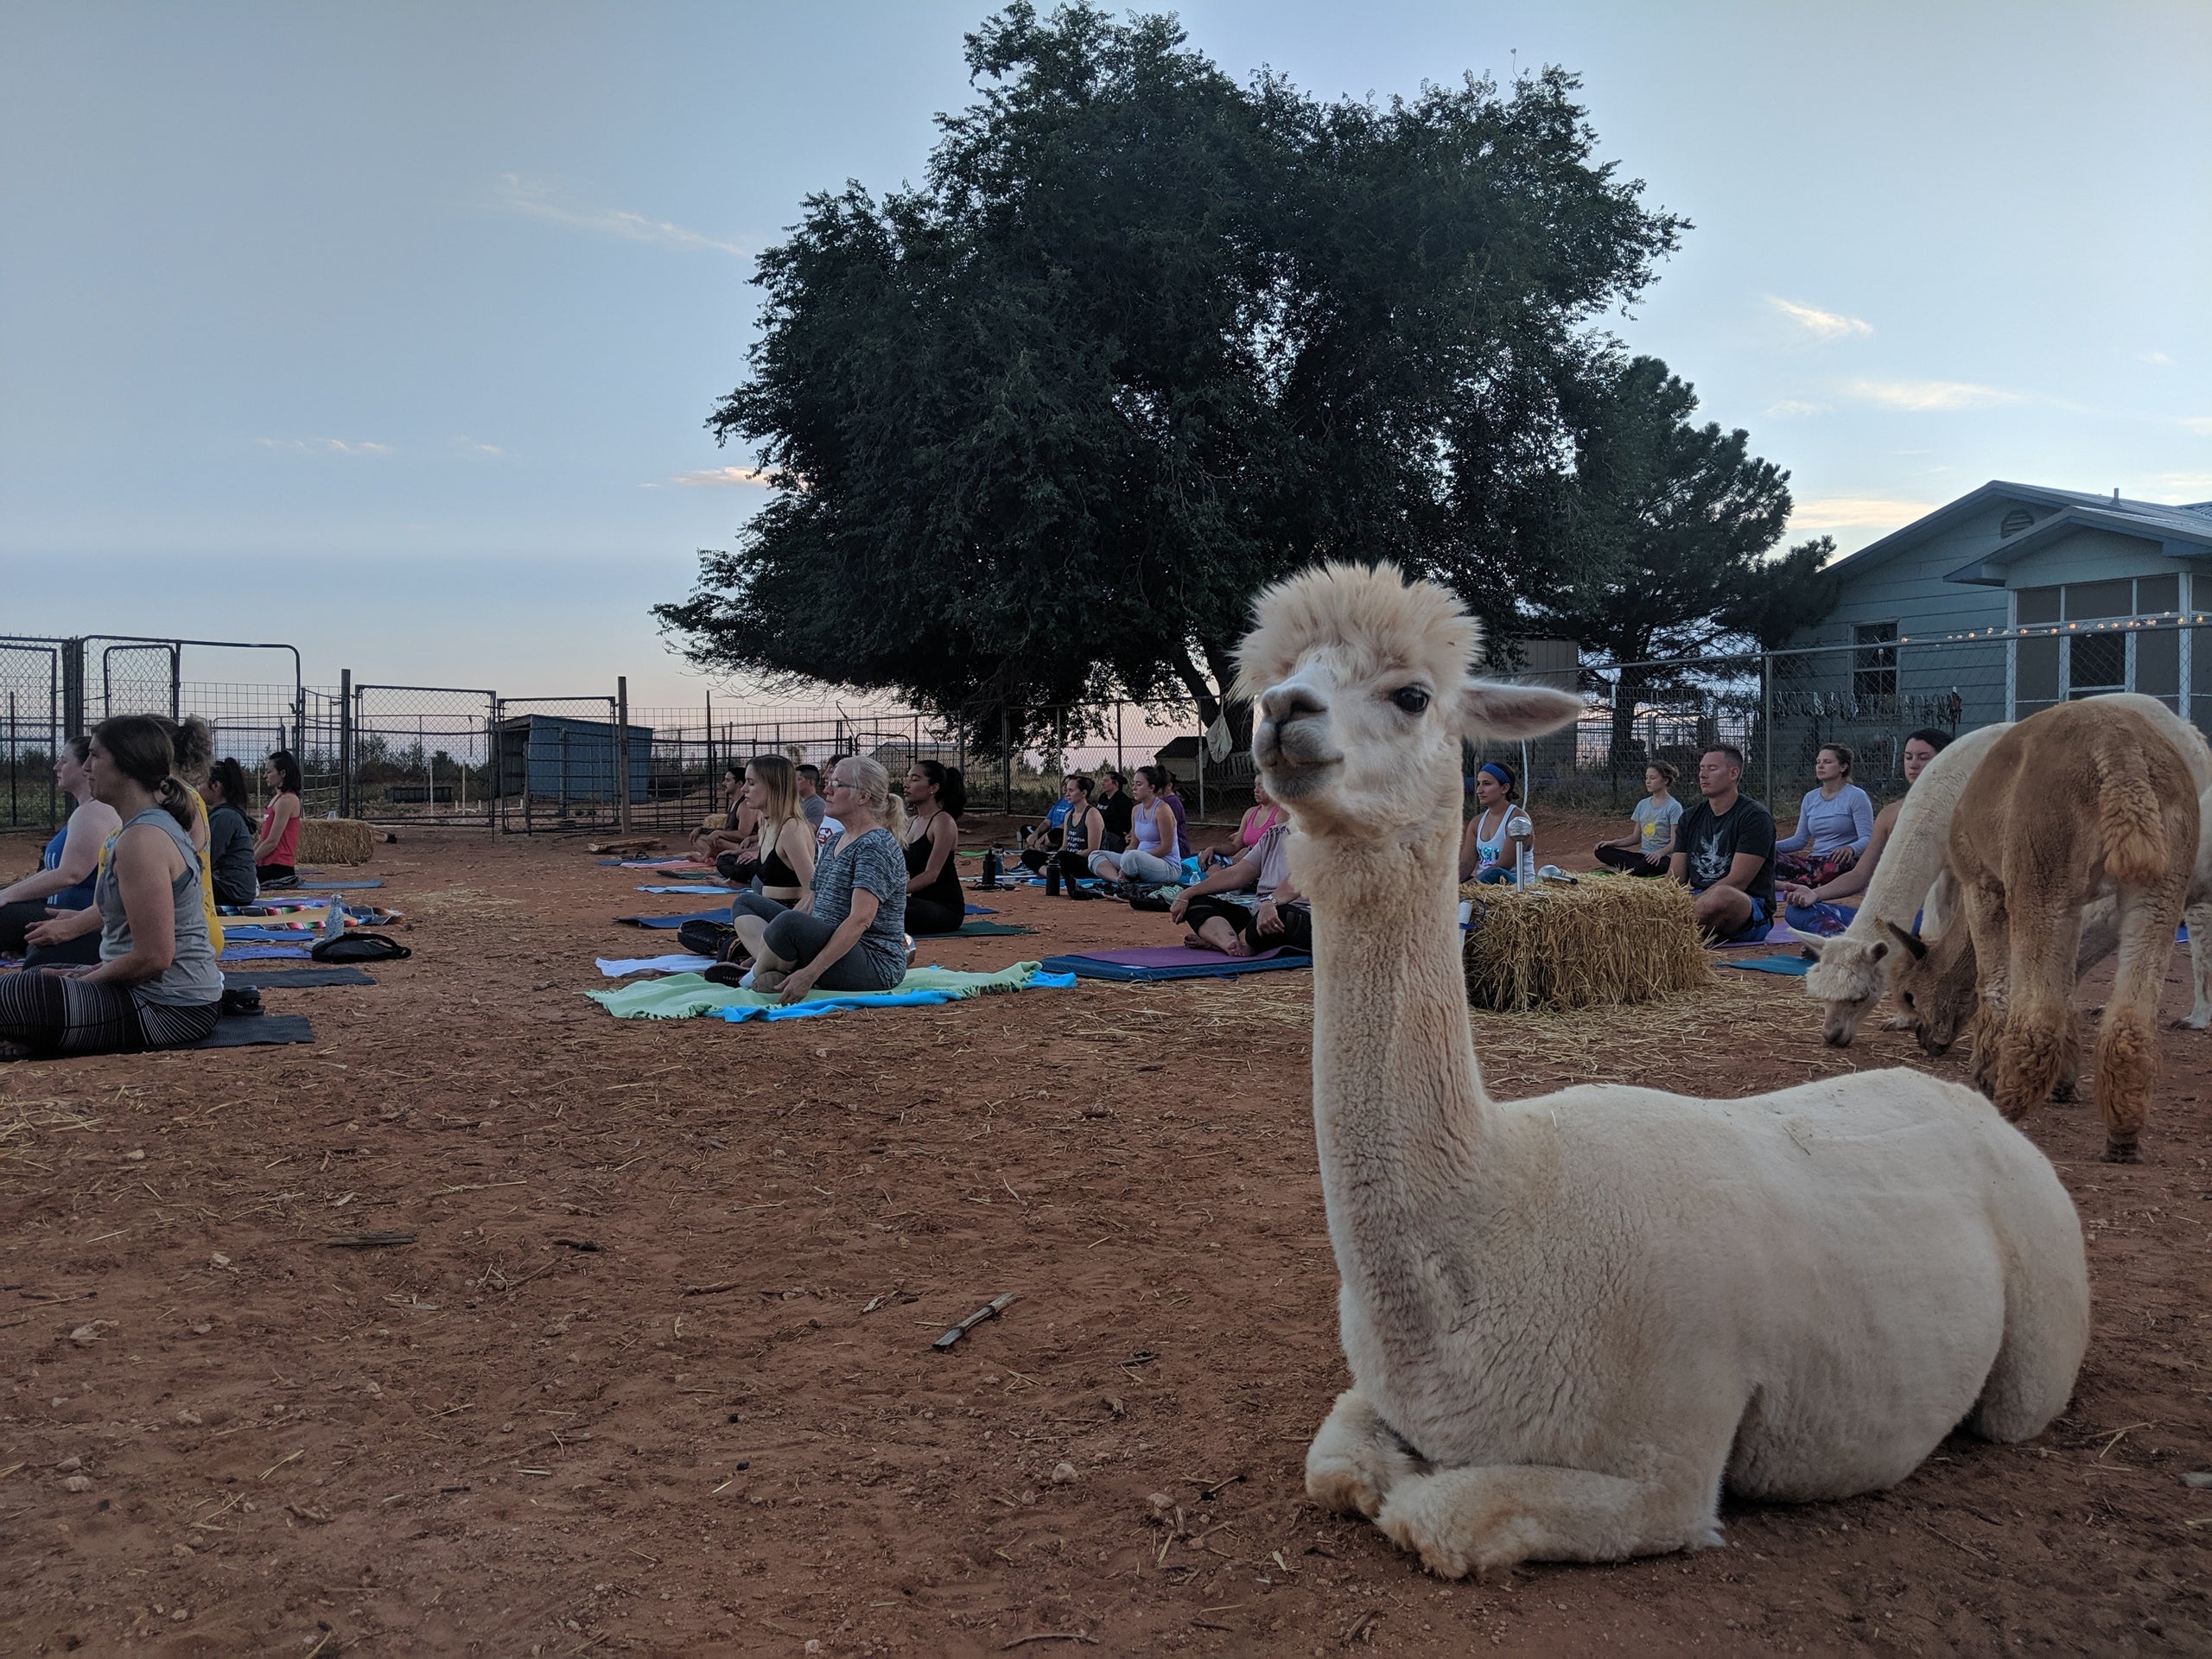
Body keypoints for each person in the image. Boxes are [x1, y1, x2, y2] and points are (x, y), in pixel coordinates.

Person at [0, 716, 223, 1058]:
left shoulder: (142, 840)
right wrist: (86, 970)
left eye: (95, 756)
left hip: (170, 1009)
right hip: (161, 996)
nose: (86, 767)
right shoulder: (138, 828)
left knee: (15, 996)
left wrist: (85, 980)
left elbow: (154, 958)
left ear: (125, 765)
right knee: (26, 981)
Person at [732, 755, 910, 1001]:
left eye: (837, 784)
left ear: (863, 797)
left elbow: (860, 920)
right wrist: (771, 946)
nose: (826, 789)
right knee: (746, 904)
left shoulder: (875, 846)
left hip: (872, 962)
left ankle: (752, 978)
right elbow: (810, 901)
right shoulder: (837, 840)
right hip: (825, 941)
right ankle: (769, 967)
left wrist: (810, 974)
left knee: (788, 923)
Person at [1783, 728, 1954, 936]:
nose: (1913, 764)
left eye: (1923, 757)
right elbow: (1860, 874)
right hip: (1890, 918)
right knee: (1798, 912)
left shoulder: (1962, 809)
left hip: (1937, 914)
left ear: (1946, 759)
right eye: (1908, 757)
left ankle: (1856, 944)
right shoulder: (1890, 814)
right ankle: (1841, 941)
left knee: (1928, 924)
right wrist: (1814, 894)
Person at [0, 736, 122, 969]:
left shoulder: (94, 812)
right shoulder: (85, 811)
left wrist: (7, 896)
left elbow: (70, 874)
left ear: (86, 768)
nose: (56, 767)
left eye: (64, 761)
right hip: (60, 911)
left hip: (79, 916)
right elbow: (54, 870)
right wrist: (9, 893)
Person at [1668, 745, 1777, 941]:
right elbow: (1675, 878)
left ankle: (1668, 934)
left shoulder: (1755, 817)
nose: (1703, 775)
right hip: (1698, 900)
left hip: (1748, 908)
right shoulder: (1690, 817)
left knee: (1721, 896)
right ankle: (1680, 933)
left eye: (1712, 769)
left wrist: (1684, 907)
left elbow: (1738, 881)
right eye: (1701, 768)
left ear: (1734, 773)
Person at [1169, 821, 1312, 956]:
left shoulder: (1326, 837)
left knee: (1283, 914)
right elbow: (1238, 873)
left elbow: (1298, 880)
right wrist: (1187, 893)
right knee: (1195, 901)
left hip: (1298, 916)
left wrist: (1270, 902)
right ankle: (1231, 944)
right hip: (1259, 914)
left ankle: (1239, 942)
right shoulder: (1274, 833)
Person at [725, 754, 817, 938]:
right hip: (770, 914)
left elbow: (814, 893)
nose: (743, 789)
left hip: (789, 919)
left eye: (751, 783)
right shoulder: (767, 825)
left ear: (773, 786)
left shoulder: (792, 829)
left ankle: (767, 958)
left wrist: (781, 929)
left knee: (743, 903)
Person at [1773, 744, 1874, 888]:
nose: (1820, 766)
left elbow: (1868, 838)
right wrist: (1769, 847)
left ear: (1843, 767)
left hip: (1840, 861)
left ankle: (1790, 885)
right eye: (1818, 762)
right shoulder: (1810, 798)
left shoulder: (1857, 796)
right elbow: (1800, 839)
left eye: (1827, 762)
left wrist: (1850, 848)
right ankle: (1800, 882)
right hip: (1814, 862)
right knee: (1766, 857)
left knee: (1834, 866)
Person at [901, 760, 968, 935]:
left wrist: (895, 892)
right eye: (907, 778)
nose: (906, 784)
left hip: (944, 910)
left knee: (884, 910)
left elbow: (932, 874)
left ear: (933, 788)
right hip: (918, 904)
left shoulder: (943, 821)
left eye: (914, 779)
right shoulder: (910, 822)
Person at [1089, 765, 1183, 886]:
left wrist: (1133, 859)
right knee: (1095, 855)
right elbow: (1134, 843)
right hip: (1137, 860)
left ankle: (1128, 872)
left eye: (1139, 784)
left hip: (1166, 865)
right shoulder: (1136, 810)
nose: (1133, 788)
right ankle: (1119, 880)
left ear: (1151, 787)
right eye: (1133, 784)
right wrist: (1125, 858)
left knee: (1132, 857)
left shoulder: (1162, 809)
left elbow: (1166, 848)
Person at [1593, 762, 1683, 876]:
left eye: (1652, 778)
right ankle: (1633, 870)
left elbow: (1675, 841)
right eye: (1646, 778)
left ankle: (1620, 870)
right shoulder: (1642, 804)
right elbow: (1635, 838)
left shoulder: (1674, 807)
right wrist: (1612, 843)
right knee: (1601, 851)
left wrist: (1659, 853)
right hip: (1642, 856)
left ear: (1665, 780)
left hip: (1661, 857)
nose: (1648, 781)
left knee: (1649, 863)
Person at [1458, 762, 1534, 885]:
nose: (1479, 790)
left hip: (1514, 886)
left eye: (1486, 784)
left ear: (1505, 788)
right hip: (1485, 887)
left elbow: (1504, 866)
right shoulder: (1476, 822)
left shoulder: (1518, 820)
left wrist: (1465, 888)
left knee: (1496, 872)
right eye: (1478, 784)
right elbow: (1466, 864)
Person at [202, 757, 260, 908]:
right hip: (238, 890)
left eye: (200, 783)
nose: (197, 788)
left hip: (231, 891)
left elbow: (207, 857)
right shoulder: (228, 814)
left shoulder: (224, 817)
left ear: (215, 785)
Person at [1198, 777, 1286, 873]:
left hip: (1264, 864)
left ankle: (1224, 883)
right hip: (1244, 861)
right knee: (1206, 855)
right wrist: (1213, 848)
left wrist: (1249, 851)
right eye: (1255, 785)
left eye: (1261, 786)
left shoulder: (1281, 814)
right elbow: (1235, 846)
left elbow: (1279, 849)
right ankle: (1226, 882)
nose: (1256, 790)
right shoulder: (1251, 812)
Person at [253, 750, 304, 887]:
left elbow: (272, 842)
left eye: (269, 772)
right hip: (266, 865)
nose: (265, 776)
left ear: (282, 773)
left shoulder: (287, 801)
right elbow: (262, 839)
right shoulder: (276, 800)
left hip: (278, 868)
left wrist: (248, 863)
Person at [1020, 776, 1082, 866]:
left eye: (1068, 786)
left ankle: (1037, 845)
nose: (1065, 787)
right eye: (1064, 784)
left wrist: (1044, 836)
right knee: (1026, 828)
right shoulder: (1059, 802)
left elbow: (1067, 825)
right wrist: (1035, 834)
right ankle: (1039, 845)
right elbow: (1047, 822)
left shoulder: (1075, 804)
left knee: (1056, 833)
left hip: (1059, 833)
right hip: (1049, 833)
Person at [1095, 767, 1134, 853]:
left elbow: (1128, 822)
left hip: (1115, 837)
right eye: (1102, 781)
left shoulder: (1122, 800)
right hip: (1101, 833)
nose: (1102, 783)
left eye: (1106, 781)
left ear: (1115, 783)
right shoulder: (1103, 797)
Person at [795, 764, 828, 830]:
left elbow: (809, 831)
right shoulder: (797, 802)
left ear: (811, 782)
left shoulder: (817, 805)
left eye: (798, 779)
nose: (794, 783)